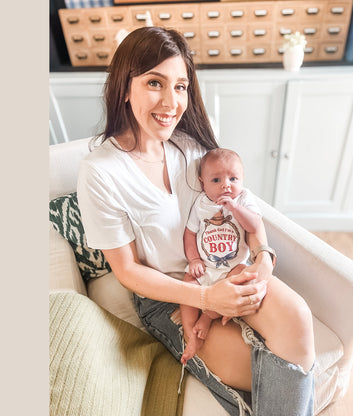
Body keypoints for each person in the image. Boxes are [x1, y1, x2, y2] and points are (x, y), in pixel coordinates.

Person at [77, 26, 315, 416]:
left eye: (181, 86)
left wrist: (264, 258)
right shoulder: (100, 171)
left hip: (228, 269)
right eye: (155, 82)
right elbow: (127, 270)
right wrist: (206, 299)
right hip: (169, 295)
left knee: (298, 320)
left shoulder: (193, 150)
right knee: (271, 370)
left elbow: (246, 211)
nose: (171, 102)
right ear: (124, 87)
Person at [180, 148, 264, 365]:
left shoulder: (243, 199)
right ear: (203, 183)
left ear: (242, 178)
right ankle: (190, 332)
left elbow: (254, 225)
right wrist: (194, 260)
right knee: (187, 284)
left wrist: (234, 208)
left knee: (243, 276)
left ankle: (207, 317)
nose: (226, 185)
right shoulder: (201, 204)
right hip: (206, 267)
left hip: (232, 268)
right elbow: (190, 234)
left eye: (233, 179)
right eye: (216, 180)